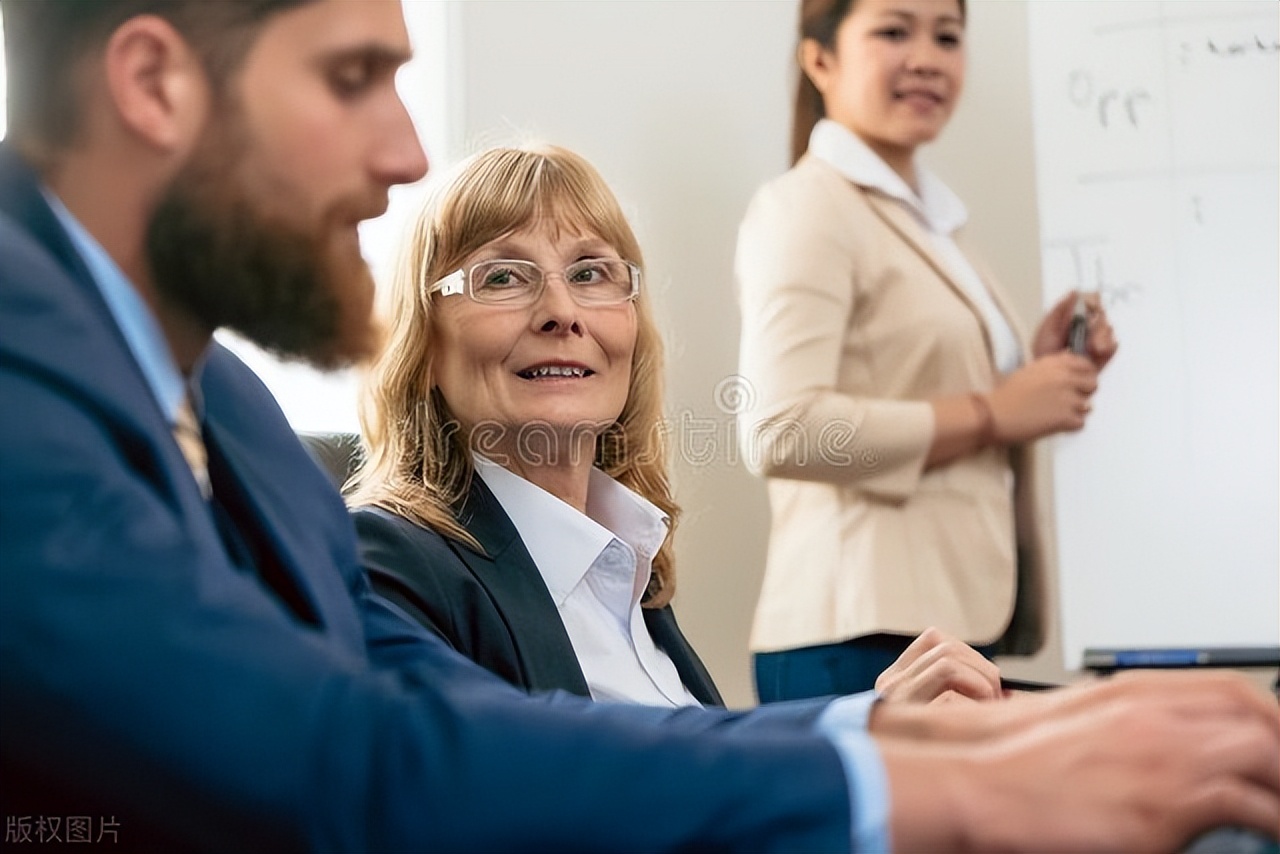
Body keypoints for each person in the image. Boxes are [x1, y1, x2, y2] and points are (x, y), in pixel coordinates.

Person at [1, 2, 1276, 852]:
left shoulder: (236, 412)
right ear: (150, 81)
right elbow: (356, 759)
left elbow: (467, 717)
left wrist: (883, 727)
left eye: (596, 275)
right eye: (352, 78)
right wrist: (933, 778)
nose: (402, 148)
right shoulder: (31, 363)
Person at [348, 141, 1004, 709]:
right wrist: (848, 735)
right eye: (503, 277)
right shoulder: (388, 564)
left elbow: (706, 781)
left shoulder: (632, 574)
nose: (561, 311)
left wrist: (880, 728)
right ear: (424, 346)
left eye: (590, 272)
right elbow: (532, 787)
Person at [735, 0, 1120, 701]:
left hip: (944, 628)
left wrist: (1029, 375)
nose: (927, 58)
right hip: (861, 638)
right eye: (893, 30)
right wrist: (993, 410)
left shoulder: (935, 221)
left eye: (947, 36)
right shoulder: (809, 207)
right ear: (819, 59)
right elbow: (780, 430)